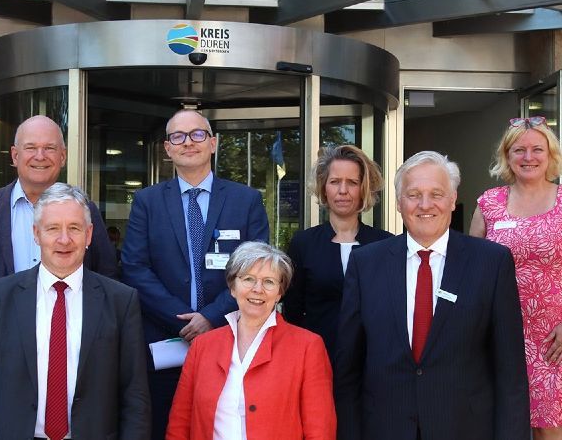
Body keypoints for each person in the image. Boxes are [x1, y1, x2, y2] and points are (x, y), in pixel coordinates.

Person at [334, 151, 530, 440]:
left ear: (452, 200)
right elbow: (348, 369)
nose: (425, 205)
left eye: (436, 194)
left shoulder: (491, 262)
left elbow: (510, 372)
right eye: (413, 195)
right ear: (399, 203)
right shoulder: (366, 263)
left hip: (466, 429)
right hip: (384, 429)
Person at [0, 115, 117, 388]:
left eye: (50, 148)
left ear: (63, 156)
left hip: (68, 359)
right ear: (15, 155)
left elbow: (107, 278)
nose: (40, 156)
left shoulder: (85, 213)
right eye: (31, 148)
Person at [121, 109, 269, 439]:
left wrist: (211, 317)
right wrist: (185, 321)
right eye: (178, 136)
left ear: (213, 143)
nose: (188, 142)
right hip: (164, 342)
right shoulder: (147, 201)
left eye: (198, 134)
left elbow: (256, 267)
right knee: (166, 426)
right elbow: (134, 268)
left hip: (230, 340)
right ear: (168, 148)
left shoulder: (246, 201)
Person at [0, 183, 150, 439]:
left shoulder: (121, 301)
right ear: (36, 233)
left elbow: (135, 395)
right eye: (53, 229)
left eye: (74, 228)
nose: (64, 240)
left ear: (90, 234)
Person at [167, 241, 335, 439]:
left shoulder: (308, 347)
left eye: (269, 282)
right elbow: (180, 422)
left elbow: (320, 429)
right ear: (232, 287)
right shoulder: (202, 346)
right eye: (248, 279)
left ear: (280, 293)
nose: (258, 289)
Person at [470, 116, 562, 440]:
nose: (528, 157)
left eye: (537, 149)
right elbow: (471, 273)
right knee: (506, 425)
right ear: (506, 156)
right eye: (519, 150)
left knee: (549, 429)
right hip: (500, 334)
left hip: (554, 340)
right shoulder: (489, 203)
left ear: (551, 155)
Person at [282, 144, 392, 358]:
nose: (343, 191)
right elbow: (292, 310)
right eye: (335, 182)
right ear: (324, 188)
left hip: (373, 362)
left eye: (352, 182)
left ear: (364, 189)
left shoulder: (385, 244)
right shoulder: (303, 243)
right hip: (316, 358)